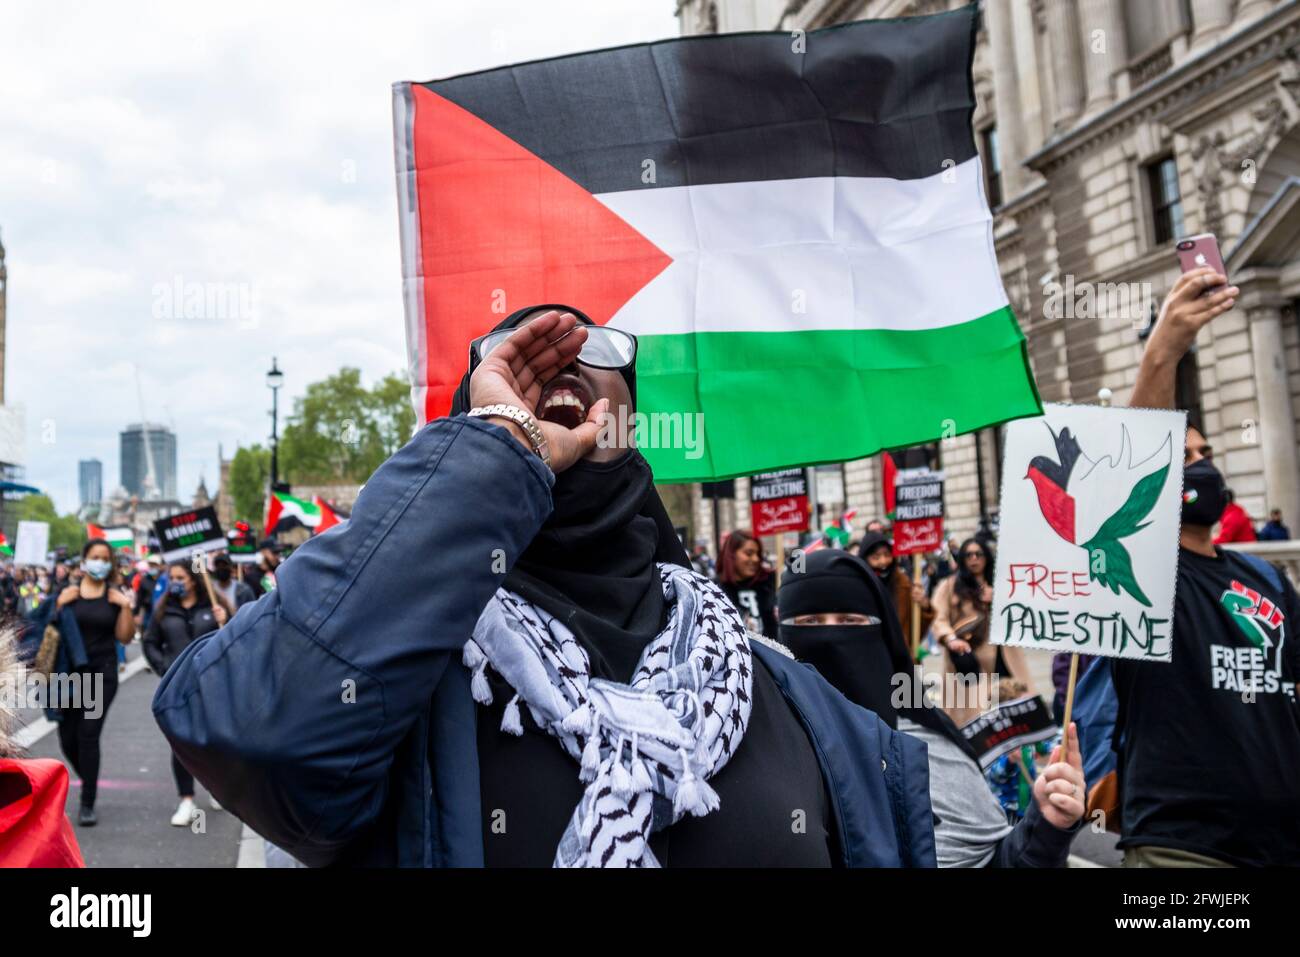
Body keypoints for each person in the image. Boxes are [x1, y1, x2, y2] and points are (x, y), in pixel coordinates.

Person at [154, 307, 936, 867]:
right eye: (512, 356)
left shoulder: (788, 693)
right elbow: (244, 725)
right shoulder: (403, 691)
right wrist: (501, 448)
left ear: (629, 420)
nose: (559, 358)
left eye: (593, 344)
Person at [1114, 266, 1300, 867]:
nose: (1200, 464)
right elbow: (1142, 454)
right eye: (1182, 454)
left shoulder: (1264, 578)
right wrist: (1164, 349)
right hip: (1184, 850)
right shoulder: (1143, 575)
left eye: (1204, 453)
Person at [777, 550, 1085, 867]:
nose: (830, 636)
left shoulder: (929, 743)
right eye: (809, 622)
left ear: (882, 633)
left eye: (850, 621)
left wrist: (1046, 825)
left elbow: (1001, 861)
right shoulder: (764, 755)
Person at [54, 539, 135, 826]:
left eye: (105, 558)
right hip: (67, 674)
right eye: (94, 556)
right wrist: (58, 605)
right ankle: (89, 776)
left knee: (88, 734)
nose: (99, 562)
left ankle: (87, 801)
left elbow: (125, 638)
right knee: (67, 739)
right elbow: (45, 627)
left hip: (101, 673)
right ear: (84, 561)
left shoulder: (114, 597)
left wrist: (125, 607)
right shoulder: (67, 594)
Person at [143, 561, 230, 826]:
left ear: (193, 580)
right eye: (172, 577)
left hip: (212, 685)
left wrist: (225, 622)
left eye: (180, 577)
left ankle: (219, 790)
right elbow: (150, 642)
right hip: (178, 688)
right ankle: (187, 799)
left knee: (214, 740)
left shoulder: (215, 607)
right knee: (180, 742)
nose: (174, 582)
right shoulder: (164, 611)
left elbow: (237, 639)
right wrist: (164, 668)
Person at [0, 627, 84, 866]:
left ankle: (89, 794)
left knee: (87, 738)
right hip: (65, 681)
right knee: (73, 739)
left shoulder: (28, 794)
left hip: (89, 677)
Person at [930, 537, 1033, 726]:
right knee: (978, 719)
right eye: (968, 555)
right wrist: (950, 638)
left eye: (979, 554)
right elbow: (938, 616)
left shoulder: (1002, 582)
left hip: (1005, 656)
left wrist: (997, 598)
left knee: (1017, 710)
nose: (974, 559)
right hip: (970, 658)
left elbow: (1023, 610)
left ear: (987, 557)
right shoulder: (950, 585)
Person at [857, 531, 932, 648]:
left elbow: (917, 632)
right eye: (875, 557)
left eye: (887, 555)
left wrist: (924, 606)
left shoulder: (904, 585)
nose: (883, 561)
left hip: (902, 659)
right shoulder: (857, 587)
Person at [715, 529, 777, 638]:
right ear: (731, 555)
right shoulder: (715, 590)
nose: (756, 559)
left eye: (758, 553)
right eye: (749, 553)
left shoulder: (766, 585)